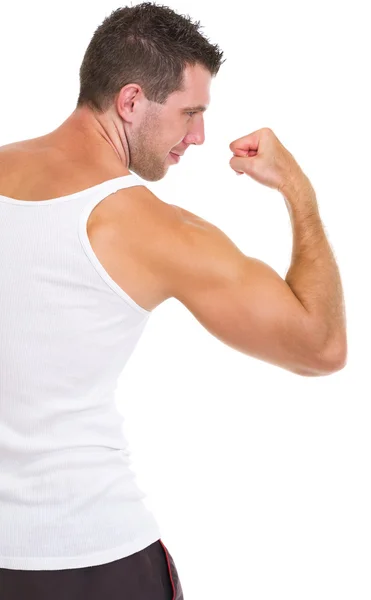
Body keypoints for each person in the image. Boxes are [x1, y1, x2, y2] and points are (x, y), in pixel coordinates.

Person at [0, 2, 347, 599]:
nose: (199, 136)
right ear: (131, 102)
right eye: (191, 112)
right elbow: (320, 346)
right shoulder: (150, 228)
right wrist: (298, 188)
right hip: (95, 558)